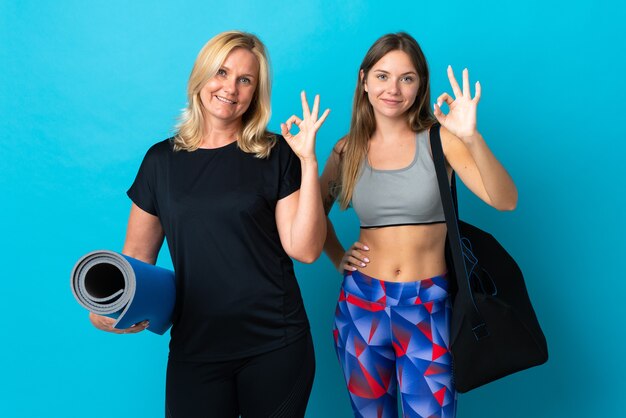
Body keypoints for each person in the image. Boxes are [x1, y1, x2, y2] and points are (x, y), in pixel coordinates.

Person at [88, 30, 330, 417]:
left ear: (255, 93)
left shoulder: (276, 153)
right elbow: (135, 259)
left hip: (276, 344)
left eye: (245, 80)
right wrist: (111, 308)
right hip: (196, 347)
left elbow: (305, 249)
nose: (230, 88)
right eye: (221, 72)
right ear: (201, 76)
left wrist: (308, 162)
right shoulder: (160, 162)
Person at [320, 32, 518, 418]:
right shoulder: (347, 150)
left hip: (427, 306)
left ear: (420, 86)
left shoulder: (441, 141)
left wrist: (471, 136)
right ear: (364, 80)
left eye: (407, 78)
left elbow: (505, 200)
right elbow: (313, 214)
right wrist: (337, 256)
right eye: (382, 76)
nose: (393, 88)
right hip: (361, 305)